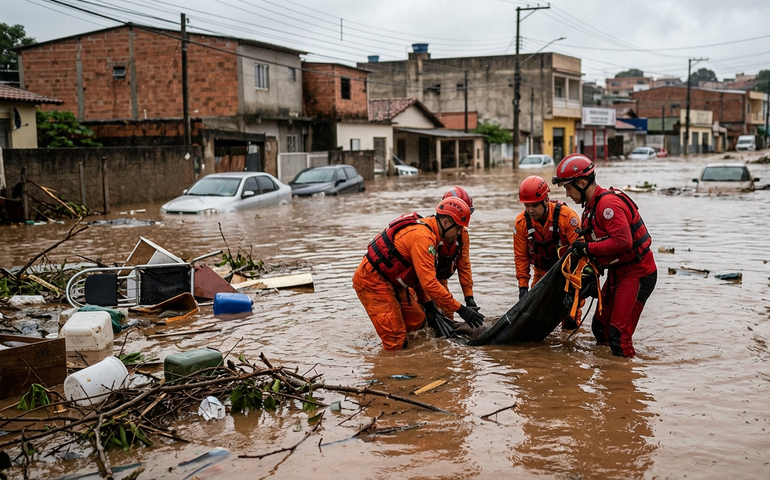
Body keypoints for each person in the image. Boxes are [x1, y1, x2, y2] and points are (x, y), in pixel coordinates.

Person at [551, 153, 657, 358]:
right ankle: (607, 376)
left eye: (568, 187)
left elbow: (622, 242)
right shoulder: (589, 209)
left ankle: (624, 382)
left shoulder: (608, 206)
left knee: (618, 335)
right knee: (601, 330)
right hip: (617, 273)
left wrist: (587, 249)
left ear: (582, 183)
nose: (568, 194)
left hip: (638, 272)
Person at [352, 197, 485, 351]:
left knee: (418, 324)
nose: (460, 233)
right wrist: (461, 309)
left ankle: (416, 361)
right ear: (446, 222)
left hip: (395, 283)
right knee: (395, 340)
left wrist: (429, 306)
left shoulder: (431, 233)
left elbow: (418, 276)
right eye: (458, 228)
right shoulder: (423, 237)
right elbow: (429, 283)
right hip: (373, 282)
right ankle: (390, 371)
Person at [513, 175, 581, 298]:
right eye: (526, 206)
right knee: (533, 310)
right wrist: (523, 287)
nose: (530, 210)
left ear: (546, 200)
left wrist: (574, 283)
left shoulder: (567, 217)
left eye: (534, 206)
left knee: (572, 311)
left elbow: (580, 254)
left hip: (566, 273)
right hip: (540, 274)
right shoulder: (521, 223)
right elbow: (521, 257)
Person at [436, 186, 478, 319]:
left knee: (448, 313)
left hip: (440, 280)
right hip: (419, 284)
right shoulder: (430, 234)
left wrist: (469, 298)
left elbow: (464, 264)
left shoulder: (462, 235)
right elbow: (424, 278)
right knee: (420, 319)